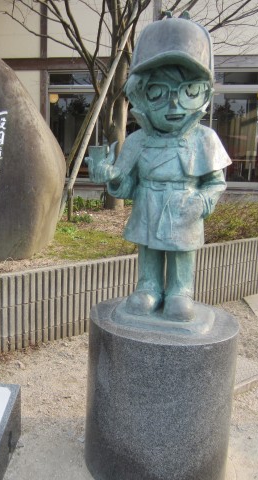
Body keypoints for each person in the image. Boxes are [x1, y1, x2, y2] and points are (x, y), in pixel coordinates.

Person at [87, 14, 230, 321]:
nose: (174, 105)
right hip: (149, 203)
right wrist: (111, 177)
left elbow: (216, 181)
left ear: (203, 92)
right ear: (141, 93)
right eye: (158, 92)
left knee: (180, 255)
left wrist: (203, 201)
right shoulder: (138, 141)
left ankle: (180, 290)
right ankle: (148, 286)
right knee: (149, 250)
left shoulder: (204, 138)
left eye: (187, 91)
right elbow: (129, 185)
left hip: (184, 204)